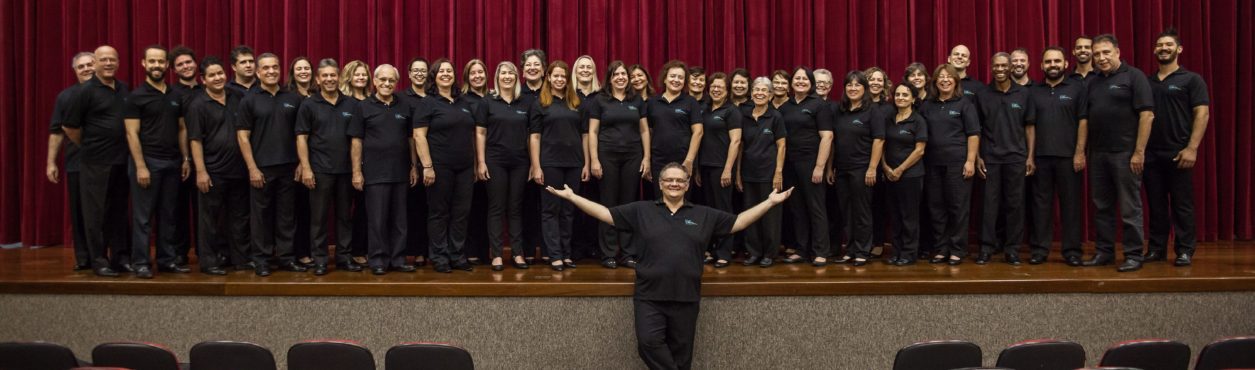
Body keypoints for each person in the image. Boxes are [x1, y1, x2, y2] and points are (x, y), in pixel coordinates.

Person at [546, 162, 792, 370]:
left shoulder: (703, 214)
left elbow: (737, 222)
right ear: (661, 184)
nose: (674, 184)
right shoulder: (642, 210)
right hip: (649, 296)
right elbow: (606, 214)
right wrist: (572, 197)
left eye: (679, 180)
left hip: (686, 297)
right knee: (648, 344)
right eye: (669, 180)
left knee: (682, 358)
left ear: (687, 185)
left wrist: (769, 203)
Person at [1081, 34, 1155, 273]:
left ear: (1117, 52)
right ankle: (1105, 252)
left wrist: (1139, 152)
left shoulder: (1134, 77)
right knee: (1101, 206)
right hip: (1098, 154)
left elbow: (1147, 115)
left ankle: (1134, 255)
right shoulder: (1092, 82)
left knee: (1129, 207)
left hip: (1125, 154)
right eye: (1097, 54)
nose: (1101, 58)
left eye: (1106, 53)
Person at [61, 45, 131, 277]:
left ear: (118, 62)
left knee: (119, 212)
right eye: (103, 60)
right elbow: (69, 127)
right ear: (96, 63)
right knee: (95, 214)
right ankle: (99, 260)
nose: (108, 63)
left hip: (122, 161)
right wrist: (89, 145)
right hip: (94, 162)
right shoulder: (84, 91)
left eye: (112, 59)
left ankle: (120, 258)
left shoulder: (123, 89)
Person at [123, 45, 190, 278]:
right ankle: (141, 262)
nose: (156, 66)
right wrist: (140, 166)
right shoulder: (135, 97)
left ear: (167, 65)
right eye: (152, 61)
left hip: (172, 162)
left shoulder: (175, 96)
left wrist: (185, 158)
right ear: (143, 64)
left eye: (160, 62)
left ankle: (166, 260)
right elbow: (131, 134)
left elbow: (182, 129)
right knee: (143, 217)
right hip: (148, 163)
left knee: (168, 214)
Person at [237, 52, 306, 275]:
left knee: (287, 215)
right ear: (258, 72)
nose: (271, 71)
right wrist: (252, 168)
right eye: (266, 68)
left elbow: (301, 135)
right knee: (261, 217)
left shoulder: (293, 98)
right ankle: (262, 259)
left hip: (289, 167)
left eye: (275, 67)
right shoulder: (249, 99)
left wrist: (301, 163)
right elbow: (242, 136)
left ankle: (286, 257)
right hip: (262, 168)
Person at [1146, 28, 1209, 267]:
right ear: (1155, 50)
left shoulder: (1191, 79)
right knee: (1156, 204)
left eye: (1168, 45)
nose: (1163, 48)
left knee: (1182, 204)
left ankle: (1184, 250)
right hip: (1151, 154)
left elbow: (1202, 114)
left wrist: (1192, 148)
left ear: (1179, 49)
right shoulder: (1148, 82)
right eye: (1160, 45)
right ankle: (1156, 249)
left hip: (1179, 152)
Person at [349, 64, 419, 275]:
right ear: (375, 82)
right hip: (374, 173)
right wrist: (356, 171)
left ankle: (397, 259)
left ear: (396, 83)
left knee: (400, 220)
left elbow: (411, 140)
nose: (387, 84)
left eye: (391, 81)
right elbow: (356, 141)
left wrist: (414, 166)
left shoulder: (404, 106)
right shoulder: (363, 107)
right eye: (383, 80)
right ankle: (378, 260)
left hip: (400, 172)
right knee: (377, 219)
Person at [413, 58, 478, 273]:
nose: (446, 74)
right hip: (439, 167)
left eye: (449, 71)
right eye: (441, 71)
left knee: (462, 212)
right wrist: (427, 166)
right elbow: (418, 136)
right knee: (439, 212)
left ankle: (457, 255)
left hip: (465, 167)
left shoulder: (463, 102)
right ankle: (439, 257)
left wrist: (476, 165)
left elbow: (471, 135)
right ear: (434, 76)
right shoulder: (427, 103)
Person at [185, 56, 250, 275]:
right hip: (213, 171)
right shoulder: (197, 105)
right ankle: (209, 262)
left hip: (238, 170)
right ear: (203, 79)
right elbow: (195, 140)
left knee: (239, 218)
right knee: (209, 220)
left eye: (220, 73)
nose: (218, 78)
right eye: (212, 75)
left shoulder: (237, 97)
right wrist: (201, 171)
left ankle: (240, 259)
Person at [296, 58, 362, 274]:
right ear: (318, 79)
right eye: (324, 75)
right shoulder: (308, 104)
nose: (329, 79)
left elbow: (355, 141)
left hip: (345, 172)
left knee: (345, 217)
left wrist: (356, 172)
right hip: (320, 171)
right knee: (319, 218)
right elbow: (301, 138)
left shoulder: (351, 104)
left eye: (333, 75)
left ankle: (344, 258)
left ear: (339, 76)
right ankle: (321, 260)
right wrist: (306, 168)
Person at [1027, 46, 1088, 266]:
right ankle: (1040, 250)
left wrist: (1080, 152)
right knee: (1040, 206)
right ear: (1042, 65)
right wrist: (1031, 157)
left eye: (1057, 61)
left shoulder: (1077, 89)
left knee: (1071, 206)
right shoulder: (1034, 91)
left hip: (1068, 157)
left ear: (1064, 64)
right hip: (1041, 158)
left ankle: (1072, 251)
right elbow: (1030, 126)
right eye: (1048, 62)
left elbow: (1083, 121)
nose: (1052, 65)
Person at [476, 61, 539, 270]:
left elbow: (532, 136)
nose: (507, 77)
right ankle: (496, 255)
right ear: (497, 76)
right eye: (503, 73)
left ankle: (517, 253)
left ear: (516, 77)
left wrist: (533, 163)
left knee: (515, 208)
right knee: (496, 208)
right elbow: (480, 132)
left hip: (520, 161)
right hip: (495, 160)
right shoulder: (487, 102)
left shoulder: (525, 103)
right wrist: (482, 162)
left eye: (511, 73)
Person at [588, 61, 651, 269]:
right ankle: (608, 254)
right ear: (610, 78)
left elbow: (644, 131)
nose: (621, 77)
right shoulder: (600, 100)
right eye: (616, 74)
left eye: (624, 74)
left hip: (633, 156)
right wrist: (594, 159)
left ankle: (628, 253)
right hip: (607, 156)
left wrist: (646, 158)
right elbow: (593, 132)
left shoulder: (637, 100)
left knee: (628, 204)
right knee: (608, 204)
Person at [975, 52, 1036, 265]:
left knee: (1015, 205)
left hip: (1017, 158)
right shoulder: (982, 94)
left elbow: (1029, 126)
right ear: (991, 68)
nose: (1000, 70)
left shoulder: (1024, 94)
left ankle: (1012, 249)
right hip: (990, 158)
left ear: (1011, 68)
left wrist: (1030, 156)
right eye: (996, 66)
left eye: (1004, 66)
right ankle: (986, 248)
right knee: (989, 206)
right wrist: (978, 156)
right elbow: (977, 130)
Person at [919, 64, 980, 265]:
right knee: (936, 208)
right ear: (935, 81)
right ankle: (941, 248)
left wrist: (970, 160)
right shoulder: (927, 105)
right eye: (941, 77)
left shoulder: (965, 104)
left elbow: (973, 134)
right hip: (931, 164)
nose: (945, 80)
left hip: (957, 164)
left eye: (949, 77)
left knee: (957, 208)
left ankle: (957, 249)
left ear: (956, 80)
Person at [531, 60, 586, 271]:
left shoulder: (576, 102)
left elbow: (584, 136)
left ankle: (566, 254)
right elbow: (534, 137)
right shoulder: (540, 103)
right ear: (549, 78)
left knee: (568, 210)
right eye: (556, 76)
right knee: (550, 210)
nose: (560, 79)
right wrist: (536, 166)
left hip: (574, 164)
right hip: (550, 163)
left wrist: (586, 163)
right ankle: (554, 255)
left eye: (563, 76)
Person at [778, 67, 834, 266]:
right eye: (797, 78)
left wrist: (820, 166)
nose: (800, 81)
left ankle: (821, 251)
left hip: (811, 163)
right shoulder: (785, 107)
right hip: (790, 165)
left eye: (804, 78)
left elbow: (827, 137)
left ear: (810, 83)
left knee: (816, 207)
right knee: (797, 208)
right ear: (791, 83)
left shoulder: (819, 105)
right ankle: (802, 249)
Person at [830, 71, 885, 266]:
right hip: (842, 169)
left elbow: (879, 141)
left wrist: (872, 168)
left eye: (857, 85)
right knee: (847, 211)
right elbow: (834, 141)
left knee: (862, 211)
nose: (853, 88)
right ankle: (851, 249)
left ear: (865, 88)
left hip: (862, 168)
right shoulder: (840, 110)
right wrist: (831, 167)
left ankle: (863, 250)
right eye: (849, 85)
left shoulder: (873, 111)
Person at [47, 52, 95, 270]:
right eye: (81, 66)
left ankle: (113, 256)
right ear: (75, 71)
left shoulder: (114, 91)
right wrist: (51, 162)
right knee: (79, 212)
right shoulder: (65, 97)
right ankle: (83, 257)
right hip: (77, 164)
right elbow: (56, 132)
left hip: (111, 162)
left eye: (90, 64)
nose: (86, 69)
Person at [737, 77, 787, 267]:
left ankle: (769, 253)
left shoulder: (775, 117)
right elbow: (741, 147)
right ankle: (754, 252)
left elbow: (782, 146)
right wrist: (738, 173)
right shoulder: (745, 116)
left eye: (763, 91)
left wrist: (778, 172)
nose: (759, 93)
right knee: (751, 213)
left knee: (770, 216)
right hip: (749, 173)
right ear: (751, 93)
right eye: (756, 90)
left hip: (769, 173)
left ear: (770, 95)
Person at [696, 72, 741, 267]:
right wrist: (697, 169)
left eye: (720, 87)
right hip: (705, 167)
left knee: (723, 211)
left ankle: (724, 252)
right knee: (709, 211)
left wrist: (727, 169)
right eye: (713, 86)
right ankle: (713, 249)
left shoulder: (731, 111)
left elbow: (736, 141)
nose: (715, 90)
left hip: (721, 167)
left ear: (727, 90)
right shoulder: (704, 109)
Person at [881, 84, 928, 265]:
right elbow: (882, 145)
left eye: (905, 95)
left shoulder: (918, 121)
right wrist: (885, 168)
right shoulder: (889, 119)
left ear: (913, 99)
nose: (901, 97)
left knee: (909, 216)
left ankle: (909, 253)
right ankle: (897, 251)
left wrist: (899, 169)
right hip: (890, 176)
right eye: (898, 94)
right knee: (895, 215)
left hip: (911, 176)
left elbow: (920, 150)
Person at [646, 60, 704, 195]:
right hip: (658, 161)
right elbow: (647, 132)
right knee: (660, 200)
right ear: (665, 79)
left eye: (680, 77)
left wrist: (689, 161)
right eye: (672, 76)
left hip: (683, 160)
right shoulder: (653, 102)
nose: (676, 80)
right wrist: (647, 159)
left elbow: (698, 132)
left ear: (685, 82)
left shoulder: (691, 102)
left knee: (682, 200)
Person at [400, 57, 431, 267]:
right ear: (409, 74)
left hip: (433, 159)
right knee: (413, 208)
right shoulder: (401, 98)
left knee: (432, 209)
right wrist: (414, 165)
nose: (419, 74)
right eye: (415, 71)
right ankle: (414, 251)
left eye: (423, 70)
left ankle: (427, 251)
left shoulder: (434, 97)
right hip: (410, 161)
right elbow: (408, 135)